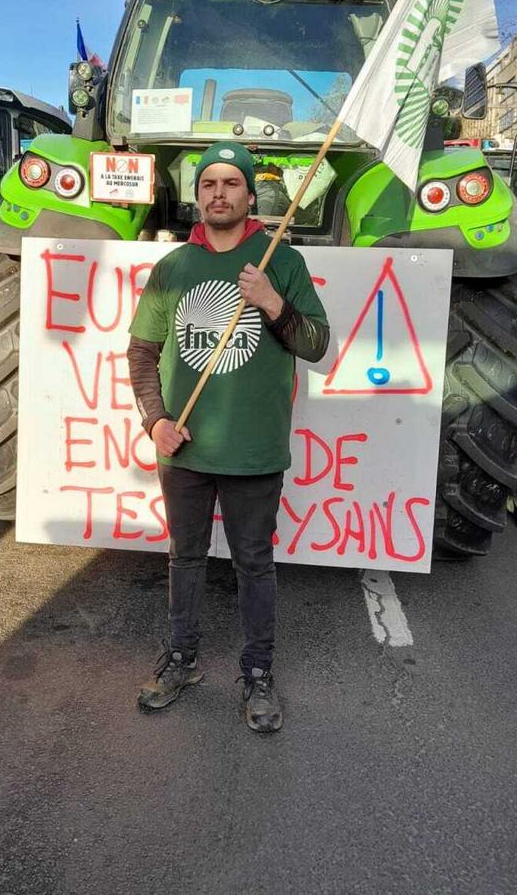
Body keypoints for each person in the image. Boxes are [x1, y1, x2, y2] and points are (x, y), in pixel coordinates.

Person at [127, 142, 329, 733]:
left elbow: (316, 344)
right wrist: (155, 421)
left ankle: (258, 673)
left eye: (231, 183)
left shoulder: (280, 261)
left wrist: (271, 302)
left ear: (249, 193)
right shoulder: (173, 268)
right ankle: (182, 660)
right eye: (209, 183)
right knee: (184, 557)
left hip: (254, 450)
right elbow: (142, 353)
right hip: (184, 448)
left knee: (254, 563)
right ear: (198, 195)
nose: (219, 193)